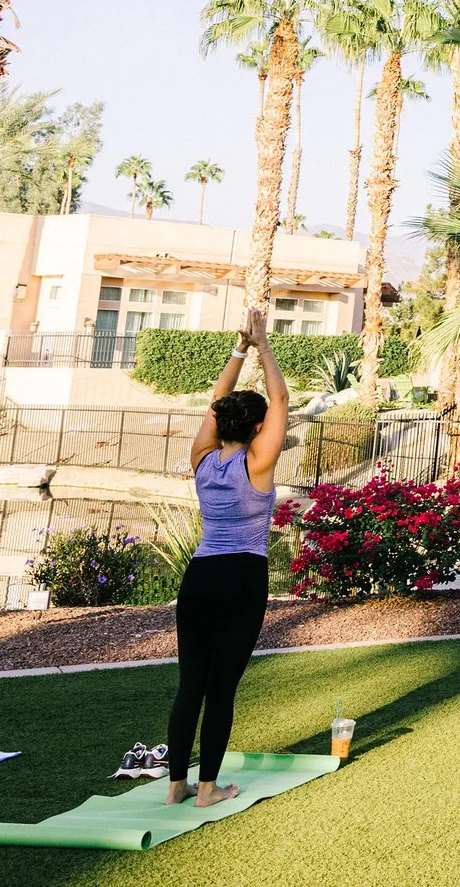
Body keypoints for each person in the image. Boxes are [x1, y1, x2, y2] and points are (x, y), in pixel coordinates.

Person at [165, 309, 287, 807]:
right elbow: (279, 397)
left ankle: (177, 787)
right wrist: (263, 344)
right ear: (258, 427)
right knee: (222, 688)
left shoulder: (203, 459)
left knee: (190, 682)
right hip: (242, 576)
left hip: (199, 577)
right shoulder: (257, 463)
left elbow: (216, 408)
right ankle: (208, 789)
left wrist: (240, 349)